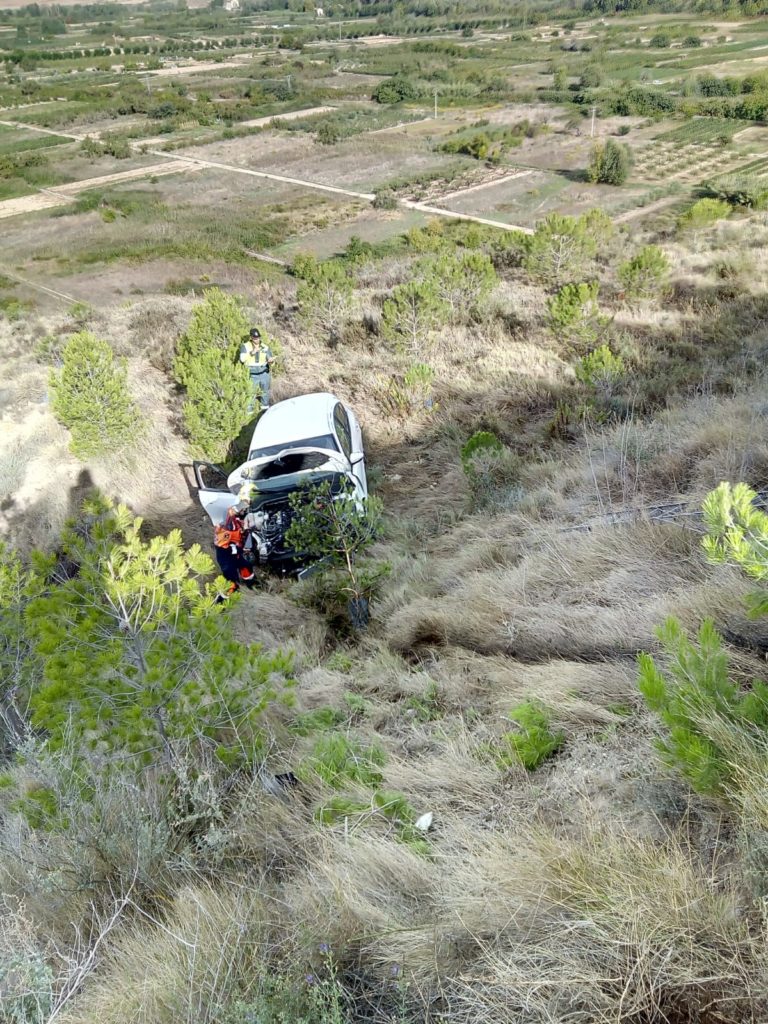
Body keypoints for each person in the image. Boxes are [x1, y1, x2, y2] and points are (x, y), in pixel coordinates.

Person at [213, 507, 255, 597]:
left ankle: (250, 583)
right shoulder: (227, 525)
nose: (242, 511)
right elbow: (223, 542)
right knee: (230, 577)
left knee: (246, 567)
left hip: (236, 551)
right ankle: (226, 598)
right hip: (226, 554)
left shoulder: (237, 520)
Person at [239, 327, 275, 412]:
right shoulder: (245, 346)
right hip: (252, 375)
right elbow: (242, 359)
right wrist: (252, 353)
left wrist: (271, 361)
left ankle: (264, 411)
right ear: (251, 337)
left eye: (258, 338)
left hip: (264, 373)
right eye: (255, 338)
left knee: (265, 393)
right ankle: (249, 413)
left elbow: (270, 361)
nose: (257, 340)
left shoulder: (265, 347)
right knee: (250, 394)